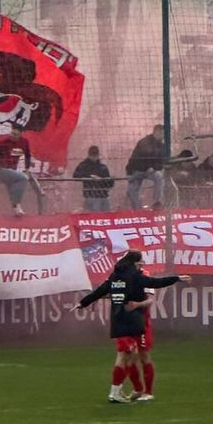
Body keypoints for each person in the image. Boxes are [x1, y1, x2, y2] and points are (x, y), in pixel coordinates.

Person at [76, 249, 188, 403]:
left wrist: (84, 302)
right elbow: (155, 283)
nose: (141, 264)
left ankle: (131, 391)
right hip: (131, 320)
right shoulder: (136, 276)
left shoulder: (116, 276)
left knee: (130, 355)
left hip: (120, 320)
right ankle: (124, 390)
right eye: (140, 261)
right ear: (135, 263)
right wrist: (177, 278)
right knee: (128, 355)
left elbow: (102, 291)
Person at [0, 123, 33, 216]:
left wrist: (27, 167)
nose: (13, 136)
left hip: (13, 170)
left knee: (13, 188)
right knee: (23, 178)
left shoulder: (24, 142)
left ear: (21, 134)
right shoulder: (4, 143)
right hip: (2, 170)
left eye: (15, 134)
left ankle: (16, 208)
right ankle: (17, 205)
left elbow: (28, 155)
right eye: (12, 133)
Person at [125, 125, 166, 208]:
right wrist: (148, 167)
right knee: (132, 190)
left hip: (149, 171)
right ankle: (137, 208)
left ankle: (157, 202)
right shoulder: (144, 142)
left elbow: (161, 162)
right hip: (137, 170)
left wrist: (153, 168)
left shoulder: (162, 146)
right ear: (157, 132)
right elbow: (140, 158)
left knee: (159, 177)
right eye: (162, 133)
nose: (163, 136)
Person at [73, 146, 115, 212]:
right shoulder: (84, 166)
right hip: (93, 195)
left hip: (100, 196)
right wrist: (90, 177)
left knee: (100, 214)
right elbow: (75, 176)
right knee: (100, 214)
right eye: (93, 155)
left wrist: (105, 179)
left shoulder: (102, 167)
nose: (94, 157)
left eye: (95, 155)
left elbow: (109, 184)